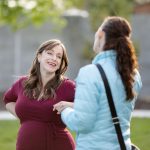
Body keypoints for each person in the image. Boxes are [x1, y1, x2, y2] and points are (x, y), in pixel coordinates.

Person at [53, 16, 142, 150]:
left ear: (101, 34)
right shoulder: (133, 74)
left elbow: (81, 123)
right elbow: (107, 107)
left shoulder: (90, 72)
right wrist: (74, 105)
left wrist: (65, 111)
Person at [3, 39, 75, 150]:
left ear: (61, 63)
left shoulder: (68, 86)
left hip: (58, 145)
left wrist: (70, 105)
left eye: (59, 56)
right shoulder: (23, 83)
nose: (54, 58)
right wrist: (24, 117)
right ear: (39, 56)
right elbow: (8, 99)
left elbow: (92, 104)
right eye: (50, 53)